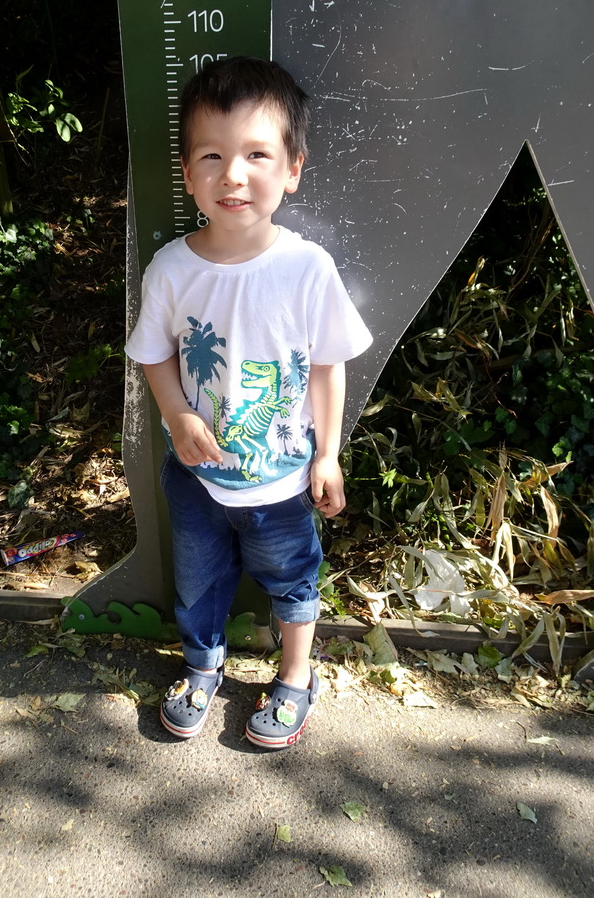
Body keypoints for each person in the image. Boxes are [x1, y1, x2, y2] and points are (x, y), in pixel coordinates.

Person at [125, 56, 372, 747]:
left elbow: (328, 365)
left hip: (283, 483)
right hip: (198, 480)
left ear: (293, 168)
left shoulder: (307, 268)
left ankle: (295, 676)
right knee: (198, 580)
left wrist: (328, 454)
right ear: (187, 173)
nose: (233, 174)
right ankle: (203, 667)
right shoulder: (172, 269)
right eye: (212, 155)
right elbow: (153, 353)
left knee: (292, 581)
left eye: (257, 154)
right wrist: (177, 415)